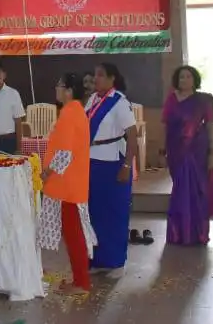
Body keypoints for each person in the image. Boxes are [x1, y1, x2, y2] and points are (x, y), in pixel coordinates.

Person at [38, 72, 95, 295]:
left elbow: (64, 153)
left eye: (59, 86)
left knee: (74, 235)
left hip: (67, 185)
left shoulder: (70, 114)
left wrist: (47, 172)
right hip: (70, 184)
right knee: (73, 234)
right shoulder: (74, 111)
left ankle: (81, 283)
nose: (56, 89)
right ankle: (79, 280)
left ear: (69, 90)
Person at [85, 63, 139, 274]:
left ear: (111, 79)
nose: (95, 79)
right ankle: (95, 257)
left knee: (113, 212)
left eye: (100, 76)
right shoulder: (93, 100)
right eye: (95, 75)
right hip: (92, 160)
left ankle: (112, 259)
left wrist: (127, 164)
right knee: (94, 212)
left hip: (112, 162)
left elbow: (133, 135)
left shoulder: (119, 102)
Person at [162, 65, 213, 246]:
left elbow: (211, 126)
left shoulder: (205, 100)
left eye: (188, 77)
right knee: (179, 190)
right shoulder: (171, 100)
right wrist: (161, 150)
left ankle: (198, 234)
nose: (185, 80)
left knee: (198, 191)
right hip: (176, 150)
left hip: (198, 150)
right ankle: (178, 233)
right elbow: (164, 126)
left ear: (195, 79)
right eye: (181, 77)